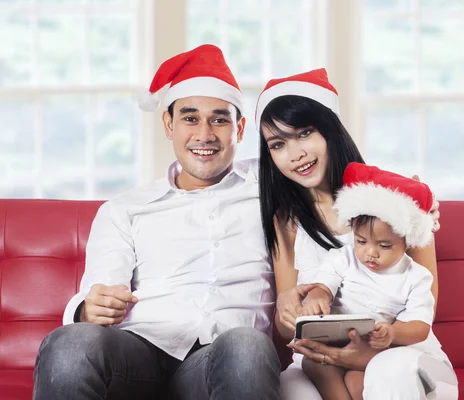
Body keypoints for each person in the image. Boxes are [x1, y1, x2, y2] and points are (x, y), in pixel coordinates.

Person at [33, 44, 281, 400]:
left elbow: (336, 170)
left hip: (222, 357)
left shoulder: (272, 190)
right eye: (190, 118)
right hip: (137, 356)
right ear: (169, 124)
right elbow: (99, 292)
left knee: (246, 346)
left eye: (220, 119)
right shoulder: (125, 209)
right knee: (72, 343)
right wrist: (92, 306)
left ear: (240, 129)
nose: (205, 135)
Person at [255, 68, 450, 399]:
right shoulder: (285, 221)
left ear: (330, 130)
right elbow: (288, 322)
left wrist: (367, 354)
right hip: (322, 360)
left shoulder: (390, 199)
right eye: (278, 144)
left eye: (304, 133)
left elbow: (426, 299)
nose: (295, 154)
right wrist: (288, 312)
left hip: (397, 349)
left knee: (390, 374)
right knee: (290, 390)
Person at [299, 162, 458, 400]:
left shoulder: (416, 277)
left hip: (382, 351)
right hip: (342, 345)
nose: (370, 253)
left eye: (384, 246)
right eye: (361, 241)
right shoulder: (344, 258)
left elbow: (420, 327)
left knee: (358, 381)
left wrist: (393, 333)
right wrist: (319, 295)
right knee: (312, 364)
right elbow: (324, 284)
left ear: (407, 242)